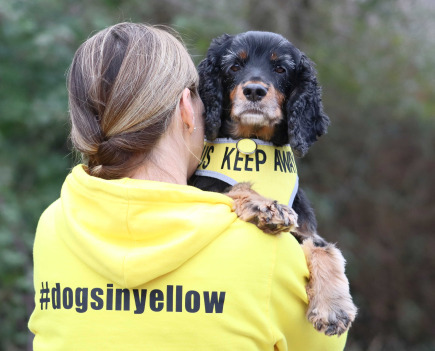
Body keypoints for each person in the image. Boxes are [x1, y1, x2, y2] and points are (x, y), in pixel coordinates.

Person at [28, 22, 347, 350]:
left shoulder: (52, 227)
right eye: (197, 93)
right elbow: (324, 343)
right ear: (185, 108)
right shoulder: (267, 250)